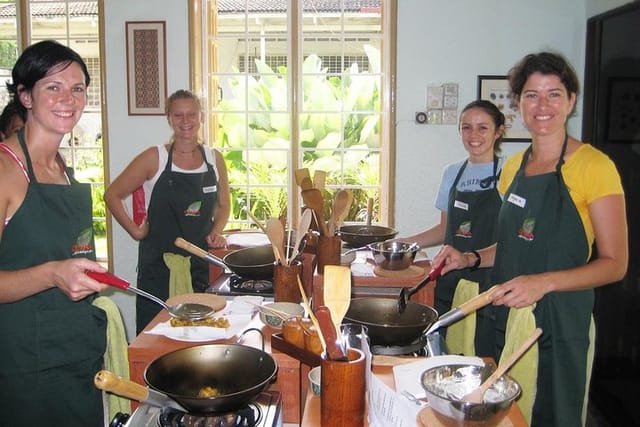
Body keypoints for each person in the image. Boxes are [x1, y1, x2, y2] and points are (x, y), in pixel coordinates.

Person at [432, 52, 628, 427]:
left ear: (571, 100)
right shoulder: (513, 169)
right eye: (531, 95)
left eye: (554, 94)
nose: (542, 106)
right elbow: (514, 246)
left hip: (559, 324)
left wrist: (544, 282)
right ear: (518, 102)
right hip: (507, 314)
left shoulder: (594, 167)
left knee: (550, 415)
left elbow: (616, 264)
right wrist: (470, 258)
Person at [0, 40, 110, 426]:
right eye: (53, 87)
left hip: (76, 355)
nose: (69, 98)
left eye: (77, 88)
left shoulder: (63, 170)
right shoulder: (5, 170)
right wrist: (52, 274)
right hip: (24, 369)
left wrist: (86, 272)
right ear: (25, 96)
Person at [104, 89, 231, 333]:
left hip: (201, 266)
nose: (186, 122)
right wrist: (135, 232)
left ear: (201, 117)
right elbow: (112, 194)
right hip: (159, 268)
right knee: (158, 335)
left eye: (191, 114)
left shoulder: (215, 159)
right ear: (169, 119)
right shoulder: (156, 158)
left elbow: (224, 205)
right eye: (178, 116)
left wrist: (216, 232)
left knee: (202, 334)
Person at [398, 100, 505, 348]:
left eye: (482, 127)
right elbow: (446, 229)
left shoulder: (510, 172)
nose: (473, 135)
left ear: (498, 131)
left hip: (491, 279)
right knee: (448, 349)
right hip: (451, 277)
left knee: (483, 352)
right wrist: (405, 243)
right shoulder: (452, 173)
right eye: (466, 127)